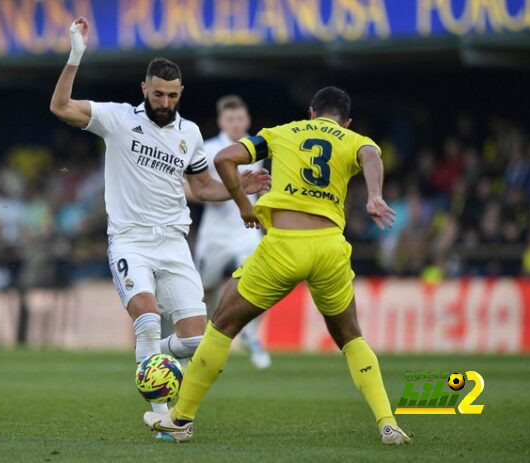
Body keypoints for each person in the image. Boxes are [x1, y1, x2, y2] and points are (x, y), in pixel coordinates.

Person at [144, 87, 411, 445]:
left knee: (222, 324)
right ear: (346, 121)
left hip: (283, 246)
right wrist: (375, 195)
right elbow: (371, 155)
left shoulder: (281, 132)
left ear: (312, 113)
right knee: (351, 337)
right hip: (329, 248)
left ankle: (181, 418)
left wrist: (243, 203)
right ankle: (387, 422)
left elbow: (224, 158)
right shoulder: (354, 139)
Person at [49, 17, 269, 441]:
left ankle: (151, 360)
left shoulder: (191, 134)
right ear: (143, 89)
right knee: (147, 319)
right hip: (130, 240)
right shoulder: (116, 119)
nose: (164, 101)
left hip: (174, 244)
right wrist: (76, 55)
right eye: (157, 93)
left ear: (180, 94)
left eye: (171, 95)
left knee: (198, 345)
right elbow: (61, 106)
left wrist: (240, 184)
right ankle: (162, 414)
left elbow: (203, 187)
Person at [194, 95, 271, 369]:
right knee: (203, 289)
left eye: (240, 119)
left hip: (246, 230)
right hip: (214, 233)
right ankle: (195, 340)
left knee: (259, 283)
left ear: (248, 120)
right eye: (230, 119)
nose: (236, 124)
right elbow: (190, 189)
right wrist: (224, 193)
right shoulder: (207, 148)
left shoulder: (258, 148)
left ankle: (251, 336)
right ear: (221, 121)